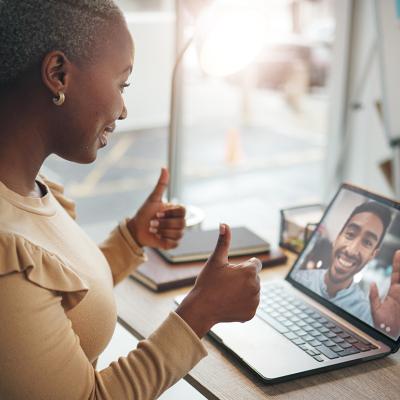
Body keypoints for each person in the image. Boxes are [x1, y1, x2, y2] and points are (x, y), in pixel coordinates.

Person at [0, 1, 261, 399]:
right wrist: (200, 312)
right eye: (122, 84)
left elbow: (54, 293)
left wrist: (133, 238)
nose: (123, 110)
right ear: (57, 74)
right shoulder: (5, 250)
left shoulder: (27, 187)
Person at [293, 201, 400, 337]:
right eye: (350, 234)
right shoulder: (300, 279)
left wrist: (386, 333)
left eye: (367, 242)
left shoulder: (368, 315)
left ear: (372, 255)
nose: (351, 250)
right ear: (337, 237)